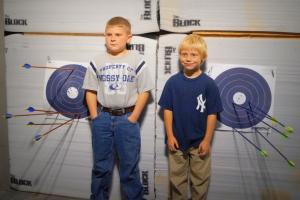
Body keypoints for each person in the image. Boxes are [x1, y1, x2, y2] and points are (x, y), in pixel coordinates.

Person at [82, 16, 154, 200]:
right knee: (100, 167)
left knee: (129, 168)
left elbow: (145, 91)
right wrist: (94, 116)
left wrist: (134, 117)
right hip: (102, 119)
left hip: (126, 119)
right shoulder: (96, 61)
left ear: (129, 38)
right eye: (109, 34)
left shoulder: (137, 60)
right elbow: (90, 91)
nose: (112, 38)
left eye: (118, 34)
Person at [158, 34, 223, 200]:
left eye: (193, 55)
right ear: (179, 56)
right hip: (177, 141)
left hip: (199, 142)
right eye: (184, 54)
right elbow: (167, 110)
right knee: (177, 181)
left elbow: (212, 114)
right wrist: (170, 136)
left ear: (203, 57)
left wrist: (207, 140)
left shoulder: (209, 84)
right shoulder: (172, 82)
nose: (188, 58)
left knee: (200, 181)